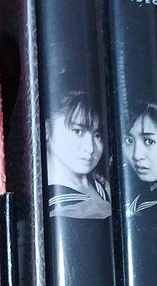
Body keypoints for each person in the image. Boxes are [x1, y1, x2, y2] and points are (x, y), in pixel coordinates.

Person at [44, 90, 111, 220]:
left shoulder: (102, 186)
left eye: (97, 136)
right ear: (47, 130)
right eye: (78, 131)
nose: (90, 148)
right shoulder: (56, 208)